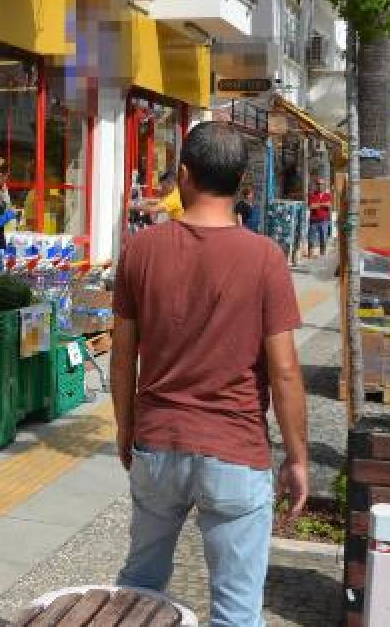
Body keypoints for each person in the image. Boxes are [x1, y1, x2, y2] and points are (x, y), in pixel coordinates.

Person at [110, 122, 309, 627]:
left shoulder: (142, 249)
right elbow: (284, 372)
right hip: (235, 449)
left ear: (182, 176)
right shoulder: (265, 257)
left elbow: (121, 354)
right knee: (237, 611)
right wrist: (298, 459)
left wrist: (124, 425)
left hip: (158, 442)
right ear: (244, 183)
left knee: (138, 589)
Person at [307, 178, 334, 257]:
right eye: (318, 184)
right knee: (311, 238)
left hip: (324, 220)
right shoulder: (312, 195)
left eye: (321, 184)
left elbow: (328, 205)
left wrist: (318, 204)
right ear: (316, 185)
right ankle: (310, 254)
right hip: (314, 220)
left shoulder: (327, 195)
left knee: (323, 238)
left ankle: (322, 253)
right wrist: (323, 204)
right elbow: (311, 206)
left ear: (324, 186)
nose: (320, 186)